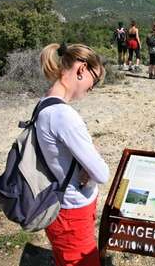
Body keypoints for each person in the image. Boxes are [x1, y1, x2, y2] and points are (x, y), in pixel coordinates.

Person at [37, 43, 110, 266]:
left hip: (58, 206)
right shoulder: (63, 115)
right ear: (81, 70)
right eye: (94, 80)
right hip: (72, 211)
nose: (92, 88)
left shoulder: (44, 104)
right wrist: (90, 163)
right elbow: (102, 173)